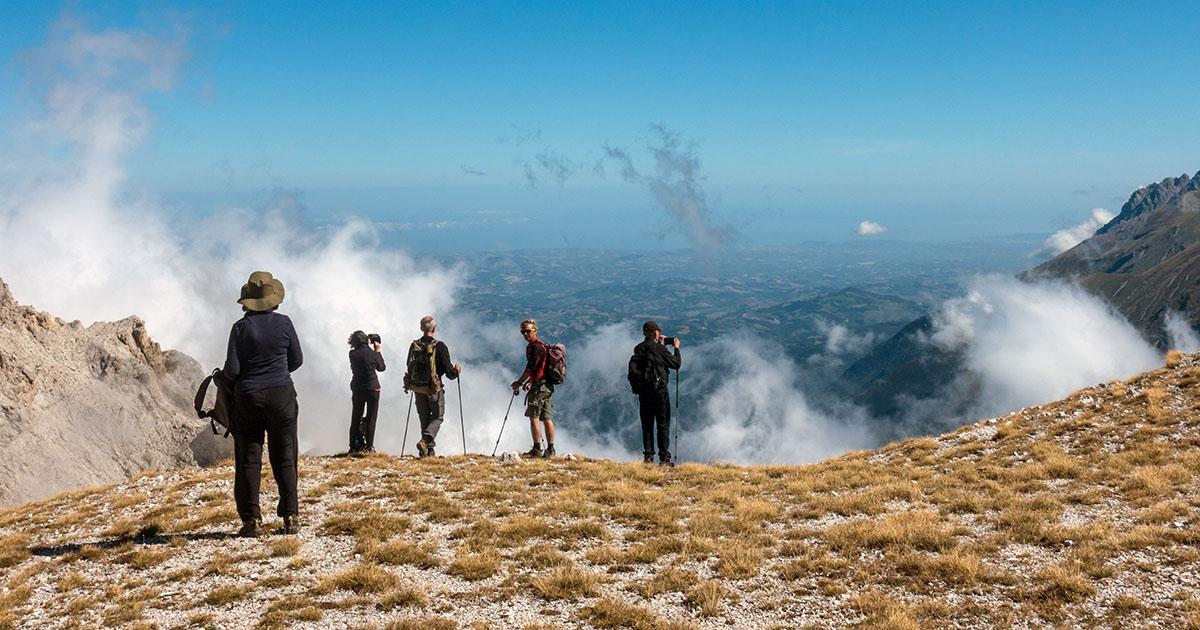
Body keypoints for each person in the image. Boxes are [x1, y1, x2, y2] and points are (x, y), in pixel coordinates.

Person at [223, 271, 303, 537]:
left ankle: (251, 521)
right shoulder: (285, 323)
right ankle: (291, 517)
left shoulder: (240, 328)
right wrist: (278, 373)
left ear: (247, 302)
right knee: (285, 457)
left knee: (248, 461)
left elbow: (232, 370)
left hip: (248, 398)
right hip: (282, 396)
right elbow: (297, 360)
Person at [406, 316, 461, 458]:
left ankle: (428, 452)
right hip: (433, 389)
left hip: (418, 388)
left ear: (421, 328)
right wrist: (457, 371)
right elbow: (450, 373)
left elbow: (409, 365)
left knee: (424, 418)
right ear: (434, 328)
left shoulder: (414, 345)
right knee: (437, 417)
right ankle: (425, 441)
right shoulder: (440, 346)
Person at [630, 321, 681, 466]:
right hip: (660, 392)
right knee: (662, 425)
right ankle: (664, 459)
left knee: (647, 425)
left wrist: (659, 345)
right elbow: (676, 364)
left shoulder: (638, 348)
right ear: (656, 333)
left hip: (644, 393)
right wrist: (676, 348)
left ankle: (648, 457)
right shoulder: (660, 349)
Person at [511, 318, 555, 458]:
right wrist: (530, 381)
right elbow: (538, 368)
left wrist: (520, 382)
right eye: (522, 332)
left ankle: (537, 449)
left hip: (539, 388)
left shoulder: (535, 347)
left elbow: (531, 367)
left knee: (534, 417)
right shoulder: (541, 346)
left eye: (528, 331)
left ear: (535, 331)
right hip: (547, 386)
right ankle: (551, 450)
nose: (525, 334)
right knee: (546, 418)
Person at [347, 330, 385, 453]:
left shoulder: (352, 354)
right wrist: (377, 350)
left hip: (358, 388)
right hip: (373, 388)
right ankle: (369, 447)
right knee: (371, 418)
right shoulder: (373, 354)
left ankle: (353, 446)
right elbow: (381, 367)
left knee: (356, 416)